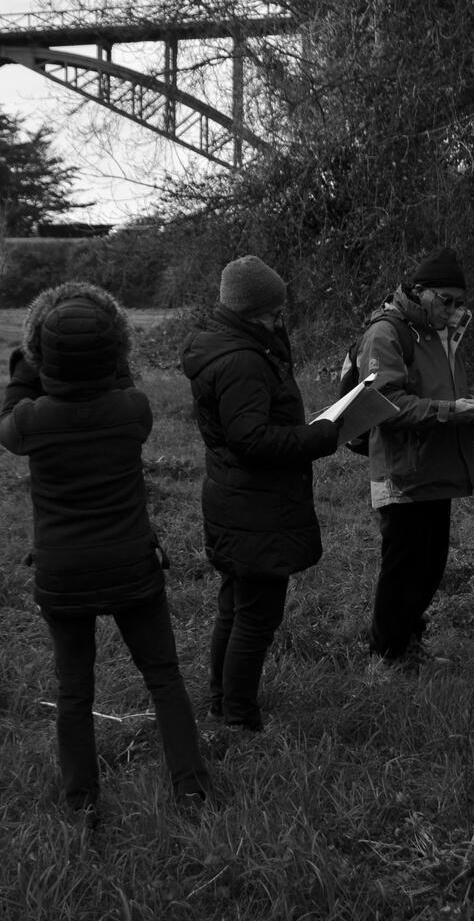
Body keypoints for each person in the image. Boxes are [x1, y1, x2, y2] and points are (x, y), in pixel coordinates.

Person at [0, 281, 211, 813]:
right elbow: (119, 379)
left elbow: (11, 413)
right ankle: (192, 790)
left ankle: (82, 804)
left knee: (74, 692)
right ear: (115, 353)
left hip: (63, 573)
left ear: (43, 356)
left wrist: (27, 364)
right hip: (131, 565)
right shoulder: (133, 412)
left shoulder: (30, 424)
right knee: (163, 677)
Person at [180, 256, 340, 732]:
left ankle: (222, 705)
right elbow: (252, 440)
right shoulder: (243, 362)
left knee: (236, 607)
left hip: (240, 499)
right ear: (251, 312)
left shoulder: (238, 349)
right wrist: (321, 436)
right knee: (254, 618)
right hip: (255, 505)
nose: (280, 320)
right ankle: (240, 720)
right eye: (274, 313)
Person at [356, 246, 474, 668]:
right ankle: (387, 654)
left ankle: (407, 641)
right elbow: (383, 401)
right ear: (418, 291)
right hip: (403, 471)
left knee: (430, 566)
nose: (453, 310)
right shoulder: (387, 332)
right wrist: (451, 411)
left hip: (437, 465)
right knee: (405, 568)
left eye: (460, 302)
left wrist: (470, 404)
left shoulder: (441, 331)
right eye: (446, 301)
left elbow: (439, 387)